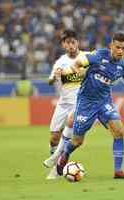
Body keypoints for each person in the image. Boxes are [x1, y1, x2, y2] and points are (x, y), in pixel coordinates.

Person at [55, 32, 124, 179]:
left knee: (119, 132)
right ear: (111, 46)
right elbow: (76, 63)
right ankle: (65, 154)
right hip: (86, 102)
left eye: (123, 48)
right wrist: (79, 71)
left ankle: (118, 171)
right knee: (77, 141)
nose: (120, 51)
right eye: (117, 47)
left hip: (104, 102)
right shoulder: (98, 56)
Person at [45, 29, 87, 179]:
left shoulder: (86, 57)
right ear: (63, 45)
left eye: (73, 42)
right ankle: (55, 158)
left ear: (77, 43)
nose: (70, 45)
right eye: (67, 42)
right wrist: (54, 77)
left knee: (68, 132)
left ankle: (56, 167)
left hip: (80, 103)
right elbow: (50, 81)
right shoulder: (61, 61)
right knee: (53, 138)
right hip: (63, 104)